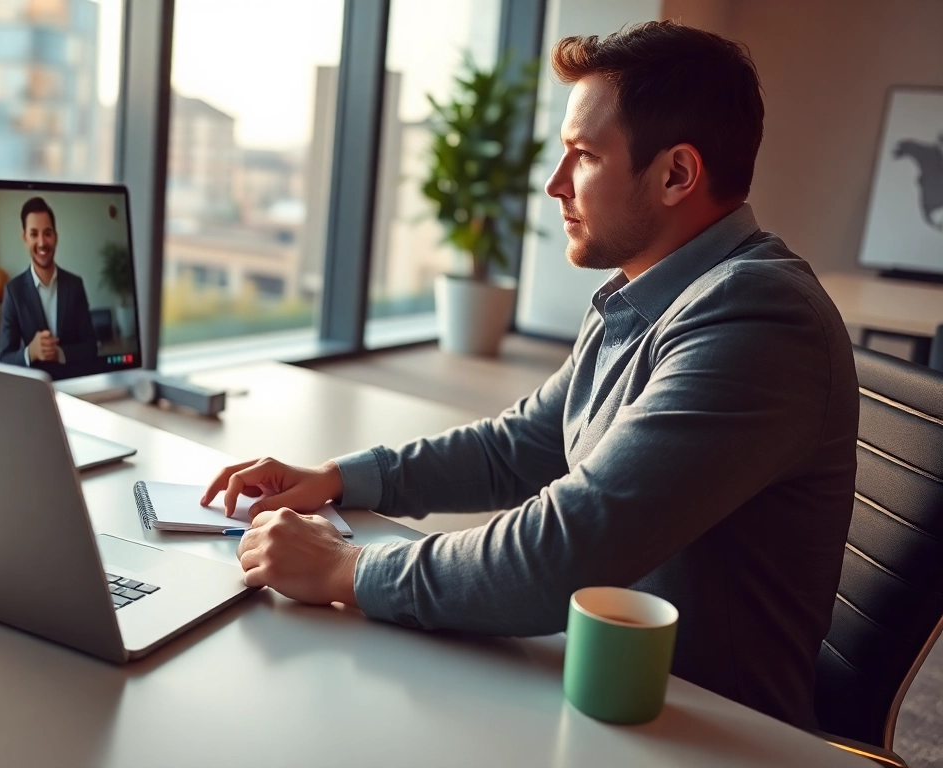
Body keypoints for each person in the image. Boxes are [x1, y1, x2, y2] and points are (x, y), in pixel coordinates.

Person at [202, 20, 857, 730]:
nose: (554, 184)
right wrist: (338, 476)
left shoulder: (758, 319)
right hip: (601, 686)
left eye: (582, 157)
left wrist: (344, 571)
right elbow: (521, 445)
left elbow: (565, 552)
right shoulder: (646, 294)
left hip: (701, 726)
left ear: (676, 174)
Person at [0, 197, 99, 377]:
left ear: (56, 237)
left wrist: (59, 354)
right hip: (36, 390)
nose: (42, 242)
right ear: (25, 238)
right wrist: (30, 352)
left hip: (74, 383)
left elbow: (91, 347)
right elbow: (3, 359)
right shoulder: (13, 292)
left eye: (47, 233)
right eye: (34, 234)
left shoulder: (75, 285)